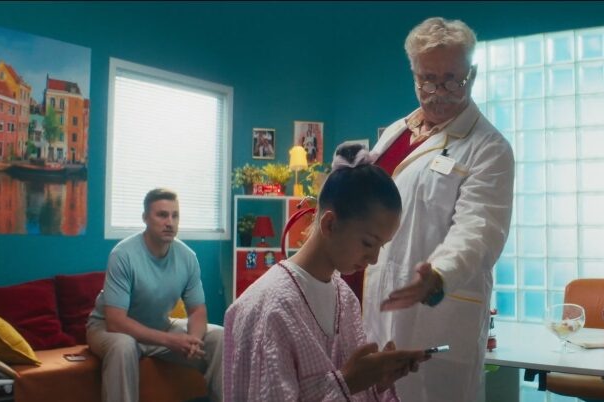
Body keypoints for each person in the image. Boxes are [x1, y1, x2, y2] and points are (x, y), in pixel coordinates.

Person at [361, 17, 515, 402]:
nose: (439, 92)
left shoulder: (489, 148)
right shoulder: (396, 132)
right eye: (427, 79)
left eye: (452, 80)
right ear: (414, 74)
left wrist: (441, 274)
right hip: (377, 305)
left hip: (437, 319)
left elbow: (479, 229)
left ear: (472, 74)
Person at [224, 143, 428, 401]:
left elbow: (349, 388)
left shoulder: (346, 299)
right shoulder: (270, 309)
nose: (374, 259)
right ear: (330, 224)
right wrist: (347, 382)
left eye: (382, 246)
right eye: (368, 243)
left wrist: (374, 382)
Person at [86, 188, 223, 402]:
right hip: (107, 327)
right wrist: (170, 341)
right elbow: (115, 321)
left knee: (219, 337)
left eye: (175, 216)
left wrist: (193, 341)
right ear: (145, 218)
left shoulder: (188, 257)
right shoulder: (123, 255)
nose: (170, 222)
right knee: (123, 347)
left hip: (160, 325)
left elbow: (197, 310)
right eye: (162, 215)